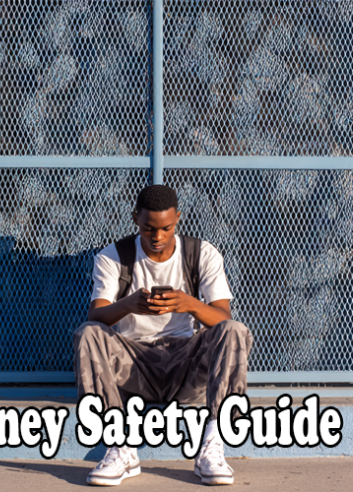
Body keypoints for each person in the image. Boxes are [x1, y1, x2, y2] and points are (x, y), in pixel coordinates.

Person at [73, 184, 253, 486]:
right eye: (148, 229)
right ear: (135, 220)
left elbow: (223, 318)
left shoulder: (201, 253)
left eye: (166, 228)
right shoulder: (114, 256)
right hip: (134, 367)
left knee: (236, 332)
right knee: (87, 334)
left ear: (178, 219)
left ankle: (213, 443)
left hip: (186, 365)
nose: (157, 237)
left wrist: (190, 304)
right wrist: (129, 304)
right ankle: (119, 446)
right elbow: (96, 316)